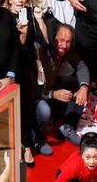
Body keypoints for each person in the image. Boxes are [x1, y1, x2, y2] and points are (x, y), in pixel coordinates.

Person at [3, 0, 47, 166]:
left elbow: (42, 41)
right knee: (15, 109)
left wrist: (39, 19)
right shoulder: (4, 16)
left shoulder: (28, 13)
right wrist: (21, 31)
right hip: (12, 68)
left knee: (27, 108)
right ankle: (22, 145)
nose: (20, 0)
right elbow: (16, 47)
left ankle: (28, 143)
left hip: (28, 66)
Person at [37, 24, 90, 152]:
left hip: (52, 87)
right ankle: (38, 138)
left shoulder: (67, 50)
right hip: (37, 95)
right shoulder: (42, 52)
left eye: (68, 42)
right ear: (53, 38)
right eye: (61, 40)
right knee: (43, 110)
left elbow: (82, 66)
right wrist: (52, 94)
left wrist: (84, 87)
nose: (64, 45)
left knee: (78, 84)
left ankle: (67, 126)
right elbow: (30, 90)